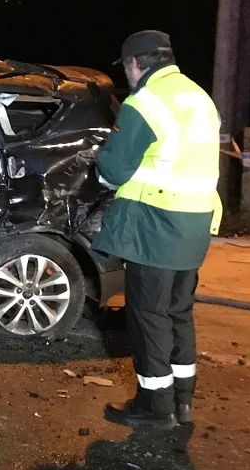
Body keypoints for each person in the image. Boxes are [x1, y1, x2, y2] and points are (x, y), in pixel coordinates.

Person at [92, 30, 222, 429]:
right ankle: (182, 402)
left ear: (135, 64)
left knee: (148, 317)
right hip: (196, 224)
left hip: (155, 227)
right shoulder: (199, 97)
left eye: (126, 68)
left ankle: (155, 406)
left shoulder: (146, 101)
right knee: (177, 313)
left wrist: (102, 158)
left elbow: (114, 169)